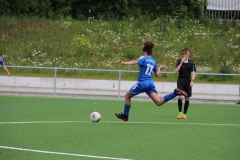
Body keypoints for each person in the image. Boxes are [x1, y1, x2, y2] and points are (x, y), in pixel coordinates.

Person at [115, 41, 187, 121]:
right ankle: (175, 93)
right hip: (150, 83)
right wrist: (159, 68)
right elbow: (157, 74)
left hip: (142, 82)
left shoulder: (143, 58)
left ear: (144, 52)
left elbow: (135, 62)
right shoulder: (153, 61)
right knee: (158, 102)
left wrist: (124, 63)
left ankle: (125, 116)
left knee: (127, 96)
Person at [175, 48, 196, 119]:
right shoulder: (179, 62)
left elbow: (193, 72)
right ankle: (180, 113)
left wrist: (192, 80)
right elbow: (176, 71)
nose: (185, 55)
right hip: (180, 80)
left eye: (186, 53)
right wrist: (181, 63)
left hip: (187, 81)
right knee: (180, 96)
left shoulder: (191, 63)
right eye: (183, 53)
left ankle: (184, 114)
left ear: (189, 54)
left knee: (187, 97)